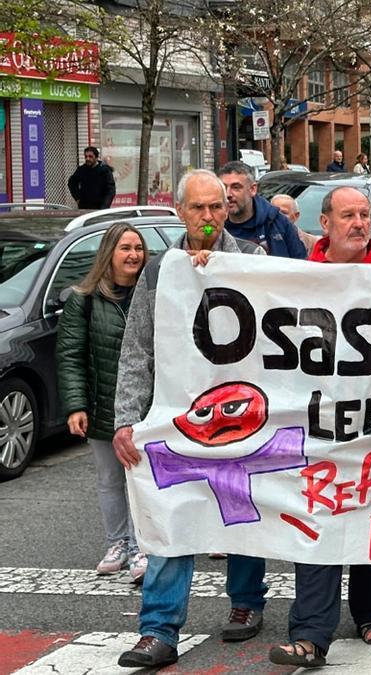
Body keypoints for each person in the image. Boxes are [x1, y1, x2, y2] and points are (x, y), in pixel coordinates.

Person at [113, 170, 268, 668]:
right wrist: (126, 418)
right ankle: (158, 628)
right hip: (175, 416)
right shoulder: (161, 270)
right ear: (179, 211)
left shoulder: (255, 260)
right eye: (198, 208)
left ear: (228, 208)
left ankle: (246, 602)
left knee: (239, 508)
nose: (208, 217)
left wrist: (220, 268)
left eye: (216, 207)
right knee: (171, 517)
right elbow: (138, 346)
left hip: (240, 413)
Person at [269, 188, 371, 668]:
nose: (359, 223)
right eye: (348, 215)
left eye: (365, 215)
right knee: (318, 520)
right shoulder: (296, 277)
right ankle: (310, 634)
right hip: (318, 425)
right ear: (324, 223)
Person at [56, 223, 148, 583]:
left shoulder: (151, 293)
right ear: (109, 254)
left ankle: (143, 547)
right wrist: (75, 405)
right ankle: (117, 544)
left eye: (138, 248)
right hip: (101, 403)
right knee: (110, 479)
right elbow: (70, 355)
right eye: (125, 248)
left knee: (140, 480)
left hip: (144, 408)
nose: (133, 255)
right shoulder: (85, 298)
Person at [217, 161, 308, 259]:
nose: (228, 194)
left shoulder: (278, 223)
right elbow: (204, 234)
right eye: (224, 187)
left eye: (236, 187)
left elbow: (301, 264)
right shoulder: (213, 224)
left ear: (253, 189)